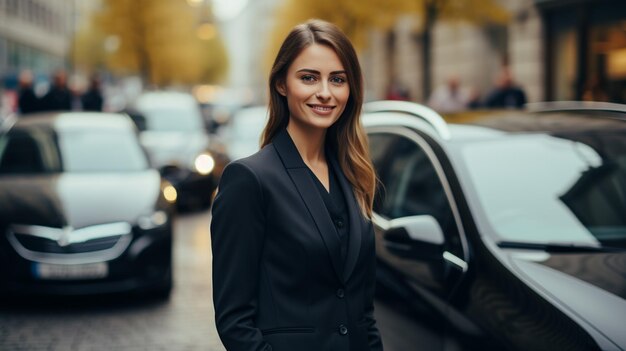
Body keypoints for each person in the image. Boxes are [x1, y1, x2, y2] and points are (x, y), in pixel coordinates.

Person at [211, 19, 382, 351]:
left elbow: (363, 312)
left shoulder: (353, 174)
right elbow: (234, 321)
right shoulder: (249, 180)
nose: (325, 92)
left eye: (338, 79)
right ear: (281, 85)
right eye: (309, 78)